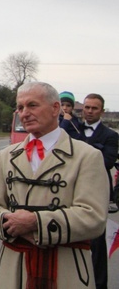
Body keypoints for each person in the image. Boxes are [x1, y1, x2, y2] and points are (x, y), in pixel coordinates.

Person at [0, 82, 108, 289]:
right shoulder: (6, 156)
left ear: (55, 108)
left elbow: (94, 217)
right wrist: (9, 220)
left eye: (32, 105)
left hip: (66, 267)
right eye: (20, 108)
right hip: (15, 268)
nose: (25, 113)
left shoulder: (87, 156)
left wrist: (36, 222)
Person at [81, 93, 118, 289]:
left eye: (94, 108)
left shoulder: (111, 136)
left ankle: (99, 285)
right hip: (72, 192)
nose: (89, 111)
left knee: (97, 244)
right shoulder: (72, 130)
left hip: (97, 194)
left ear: (102, 111)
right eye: (87, 107)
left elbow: (106, 161)